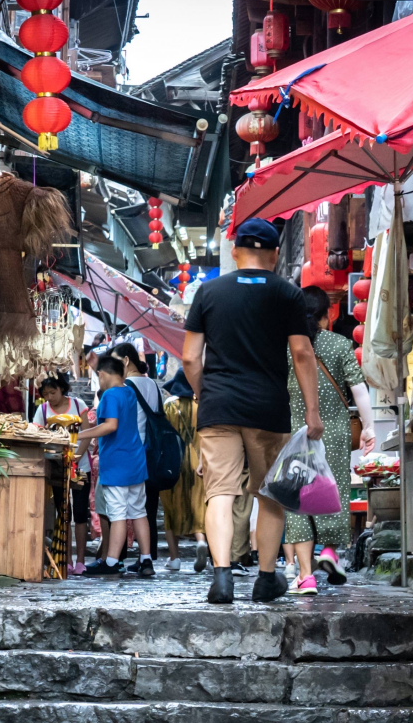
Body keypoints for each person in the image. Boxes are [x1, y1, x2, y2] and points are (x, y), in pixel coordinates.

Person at [183, 217, 322, 605]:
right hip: (268, 408)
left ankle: (222, 578)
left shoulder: (208, 292)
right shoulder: (288, 294)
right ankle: (265, 579)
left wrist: (203, 394)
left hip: (218, 408)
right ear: (276, 255)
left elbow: (190, 358)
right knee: (270, 496)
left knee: (220, 493)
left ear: (235, 252)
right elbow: (301, 353)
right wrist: (312, 412)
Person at [285, 286, 376, 593]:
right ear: (326, 316)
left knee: (299, 502)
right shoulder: (339, 344)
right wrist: (369, 425)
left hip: (296, 430)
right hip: (334, 432)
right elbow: (358, 388)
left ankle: (306, 576)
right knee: (330, 493)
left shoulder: (285, 346)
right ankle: (328, 551)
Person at [69, 355, 152, 578]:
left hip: (117, 464)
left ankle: (112, 561)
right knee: (138, 512)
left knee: (117, 514)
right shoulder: (129, 392)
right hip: (135, 461)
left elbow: (110, 426)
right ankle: (146, 559)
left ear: (102, 375)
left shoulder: (110, 395)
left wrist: (80, 433)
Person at [110, 342, 168, 562]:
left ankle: (119, 556)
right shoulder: (154, 385)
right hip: (153, 453)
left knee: (122, 508)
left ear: (126, 361)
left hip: (131, 453)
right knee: (148, 510)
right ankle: (148, 557)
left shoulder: (125, 387)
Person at [34, 373, 91, 566]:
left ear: (62, 389)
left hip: (80, 466)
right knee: (63, 511)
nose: (50, 397)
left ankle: (81, 560)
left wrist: (76, 458)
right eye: (46, 393)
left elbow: (87, 435)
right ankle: (65, 559)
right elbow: (36, 433)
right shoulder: (42, 410)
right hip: (56, 468)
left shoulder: (78, 405)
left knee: (81, 513)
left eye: (53, 392)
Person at [157, 372, 206, 572]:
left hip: (173, 461)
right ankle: (202, 541)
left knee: (171, 508)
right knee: (199, 506)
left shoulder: (168, 406)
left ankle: (174, 557)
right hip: (197, 462)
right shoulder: (200, 407)